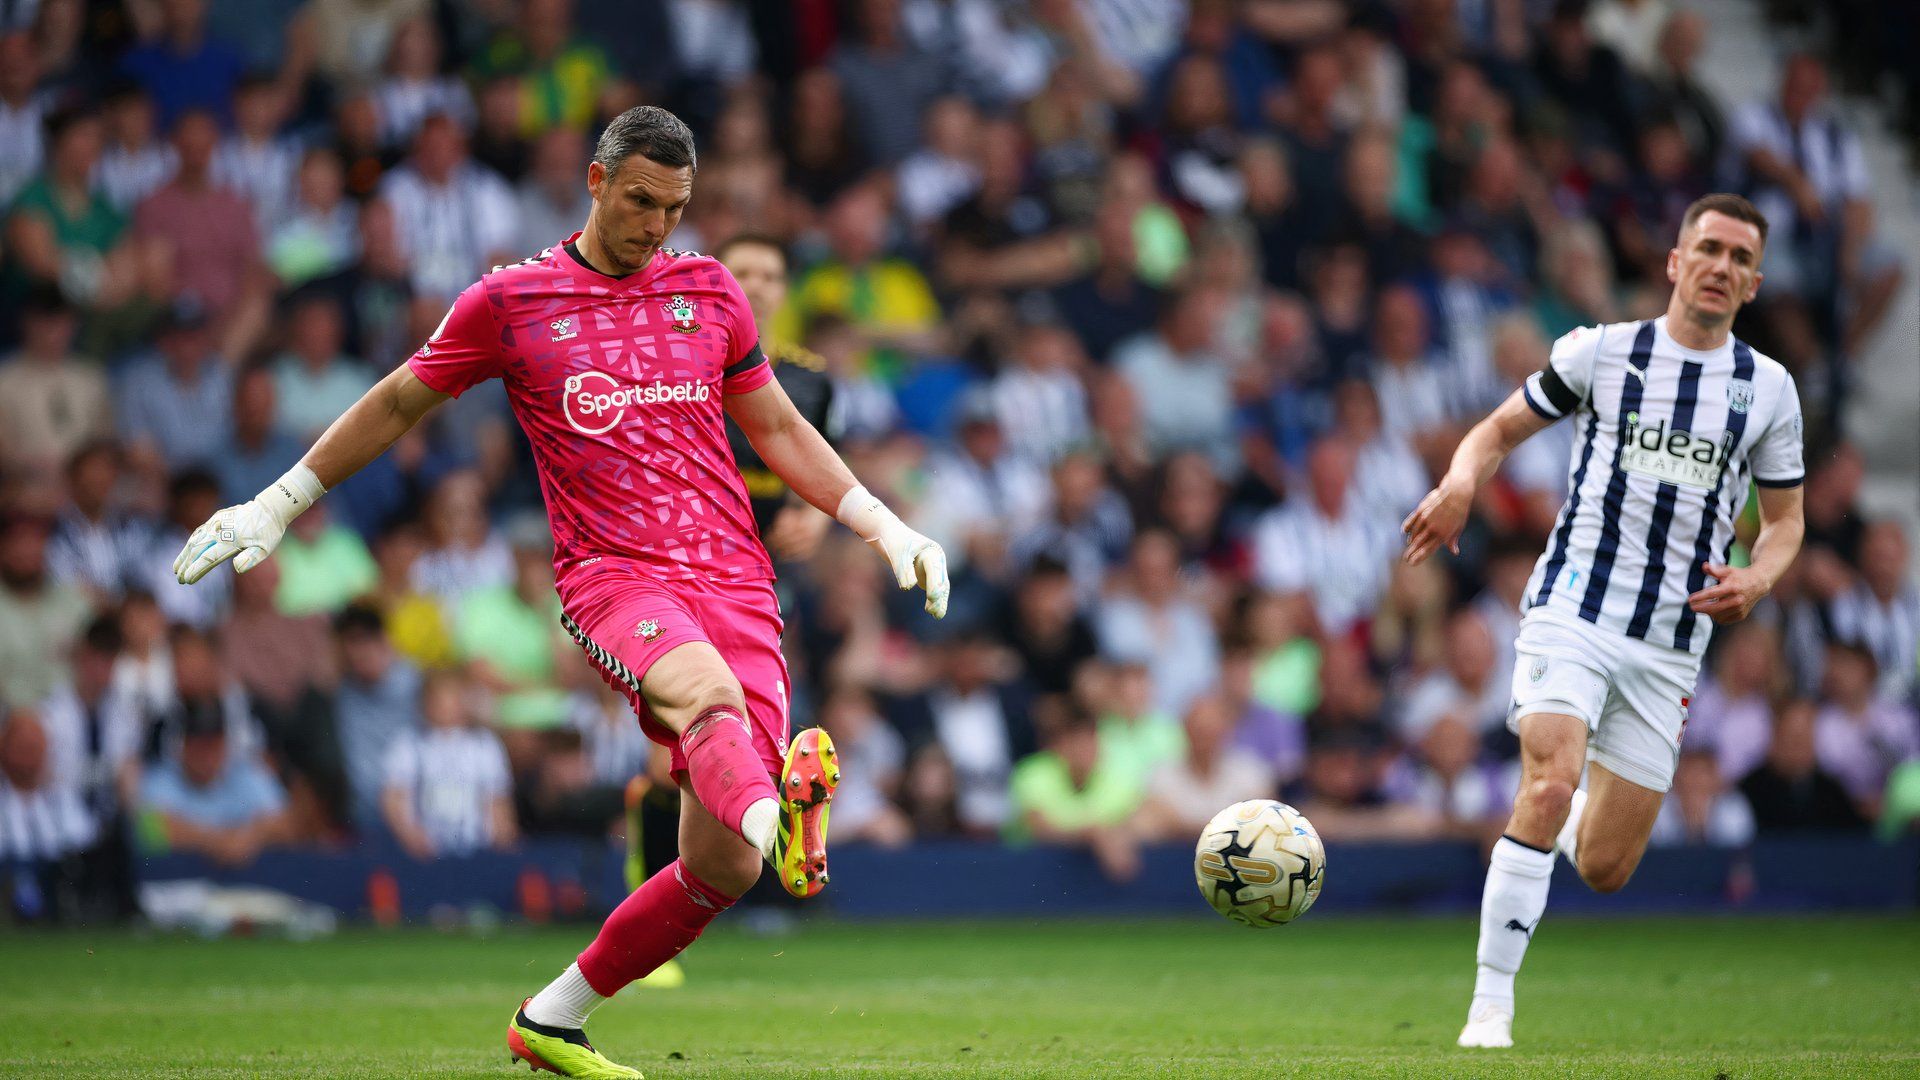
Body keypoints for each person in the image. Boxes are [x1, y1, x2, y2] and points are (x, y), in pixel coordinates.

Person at [169, 106, 948, 1078]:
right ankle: (783, 820)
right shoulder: (512, 302)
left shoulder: (710, 295)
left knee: (721, 867)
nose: (656, 223)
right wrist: (278, 505)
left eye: (674, 206)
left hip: (739, 581)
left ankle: (552, 1017)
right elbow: (399, 399)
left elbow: (781, 431)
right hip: (615, 580)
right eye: (638, 200)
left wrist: (887, 526)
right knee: (705, 701)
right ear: (594, 179)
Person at [1402, 194, 1805, 1050]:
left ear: (1754, 284)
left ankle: (1572, 799)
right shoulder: (1603, 353)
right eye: (1708, 249)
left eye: (1740, 258)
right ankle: (1489, 1009)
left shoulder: (1767, 391)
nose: (1721, 267)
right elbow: (1497, 430)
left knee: (1605, 867)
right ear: (1674, 261)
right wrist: (1463, 481)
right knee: (1546, 784)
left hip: (1669, 645)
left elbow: (1786, 522)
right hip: (1573, 610)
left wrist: (1760, 579)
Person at [713, 234, 836, 561]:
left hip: (776, 551)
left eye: (770, 277)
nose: (755, 286)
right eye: (742, 273)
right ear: (712, 283)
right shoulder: (682, 371)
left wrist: (814, 520)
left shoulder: (811, 377)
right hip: (696, 543)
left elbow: (830, 458)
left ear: (783, 293)